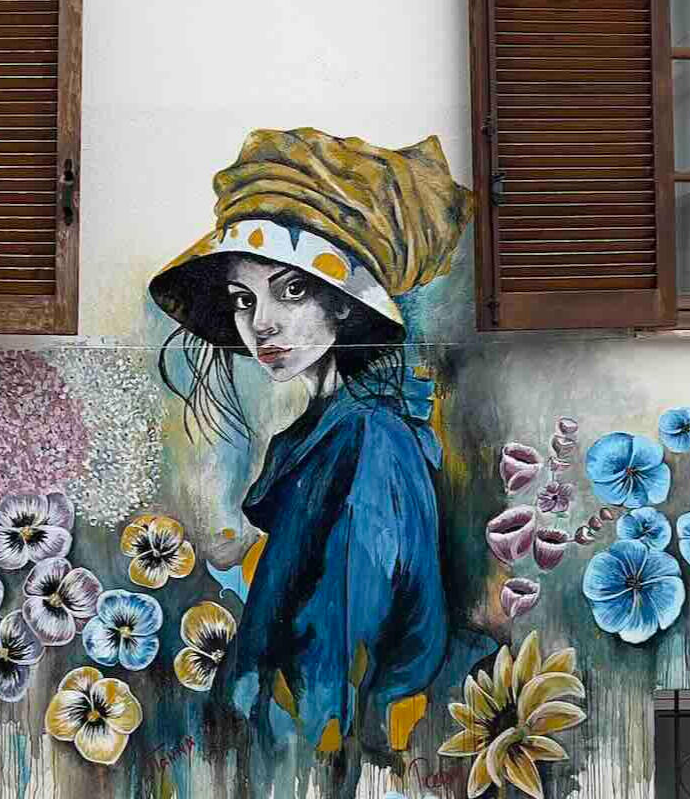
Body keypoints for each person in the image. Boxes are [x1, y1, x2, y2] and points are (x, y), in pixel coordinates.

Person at [149, 128, 493, 761]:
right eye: (243, 299)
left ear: (345, 304)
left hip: (321, 769)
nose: (262, 324)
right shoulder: (336, 430)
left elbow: (341, 648)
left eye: (292, 289)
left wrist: (302, 783)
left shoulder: (368, 442)